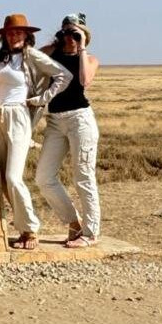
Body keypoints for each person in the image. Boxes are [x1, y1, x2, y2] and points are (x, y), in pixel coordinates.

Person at [0, 15, 71, 250]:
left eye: (19, 32)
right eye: (10, 33)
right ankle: (22, 229)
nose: (14, 36)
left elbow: (63, 75)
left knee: (13, 177)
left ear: (26, 35)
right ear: (5, 36)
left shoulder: (31, 55)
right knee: (2, 178)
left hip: (19, 117)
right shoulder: (1, 57)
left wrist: (41, 99)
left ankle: (31, 229)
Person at [35, 13, 101, 248]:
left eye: (76, 34)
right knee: (43, 177)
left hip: (79, 120)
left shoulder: (90, 59)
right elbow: (33, 59)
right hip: (55, 120)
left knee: (83, 176)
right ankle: (74, 222)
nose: (70, 38)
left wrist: (81, 47)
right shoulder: (53, 53)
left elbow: (83, 80)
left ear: (84, 36)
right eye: (67, 33)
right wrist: (56, 42)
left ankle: (91, 233)